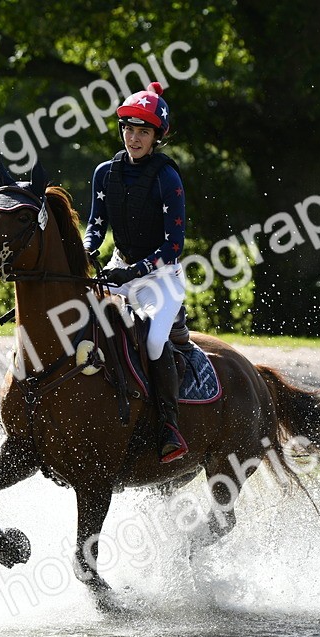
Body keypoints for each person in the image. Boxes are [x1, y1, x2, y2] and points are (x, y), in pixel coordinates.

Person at [83, 80, 190, 463]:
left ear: (156, 136)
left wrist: (134, 273)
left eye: (143, 131)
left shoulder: (167, 178)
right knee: (83, 323)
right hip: (118, 267)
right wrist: (86, 247)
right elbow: (96, 224)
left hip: (159, 280)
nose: (133, 137)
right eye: (128, 128)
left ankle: (169, 427)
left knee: (152, 343)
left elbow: (174, 246)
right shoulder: (104, 173)